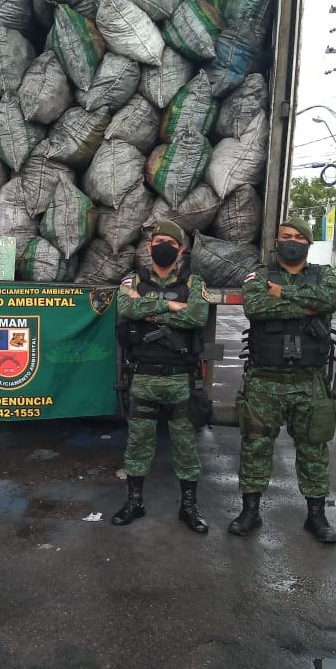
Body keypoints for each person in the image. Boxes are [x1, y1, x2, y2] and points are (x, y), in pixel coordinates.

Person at [228, 216, 336, 544]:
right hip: (265, 380)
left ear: (308, 243)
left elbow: (330, 301)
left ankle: (317, 516)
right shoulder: (259, 276)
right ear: (275, 242)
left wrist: (283, 295)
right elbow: (256, 307)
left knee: (314, 448)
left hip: (309, 381)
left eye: (297, 236)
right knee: (255, 445)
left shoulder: (326, 276)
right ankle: (250, 511)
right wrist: (306, 304)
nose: (290, 241)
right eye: (284, 236)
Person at [111, 219, 211, 534]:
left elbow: (197, 315)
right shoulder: (132, 279)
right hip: (144, 376)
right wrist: (173, 306)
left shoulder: (194, 282)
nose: (162, 245)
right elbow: (126, 308)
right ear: (149, 247)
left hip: (180, 379)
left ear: (181, 248)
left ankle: (189, 507)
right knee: (138, 443)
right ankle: (134, 501)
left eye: (170, 241)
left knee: (185, 445)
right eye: (157, 241)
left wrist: (151, 306)